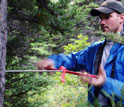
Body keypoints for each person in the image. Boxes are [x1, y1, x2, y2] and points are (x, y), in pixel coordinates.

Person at [37, 0, 124, 106]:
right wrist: (53, 61)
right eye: (100, 18)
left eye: (107, 17)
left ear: (121, 18)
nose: (101, 22)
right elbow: (74, 60)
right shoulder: (95, 49)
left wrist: (105, 83)